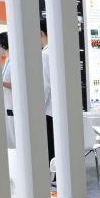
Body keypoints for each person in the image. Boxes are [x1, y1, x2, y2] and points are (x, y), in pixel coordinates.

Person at [40, 19, 54, 162]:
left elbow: (45, 85)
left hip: (49, 110)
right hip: (61, 110)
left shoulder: (45, 55)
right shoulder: (60, 51)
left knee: (51, 148)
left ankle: (54, 181)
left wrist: (39, 108)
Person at [0, 32, 15, 149]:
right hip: (6, 104)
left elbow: (17, 85)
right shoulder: (7, 60)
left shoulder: (13, 61)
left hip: (12, 105)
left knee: (13, 135)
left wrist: (2, 83)